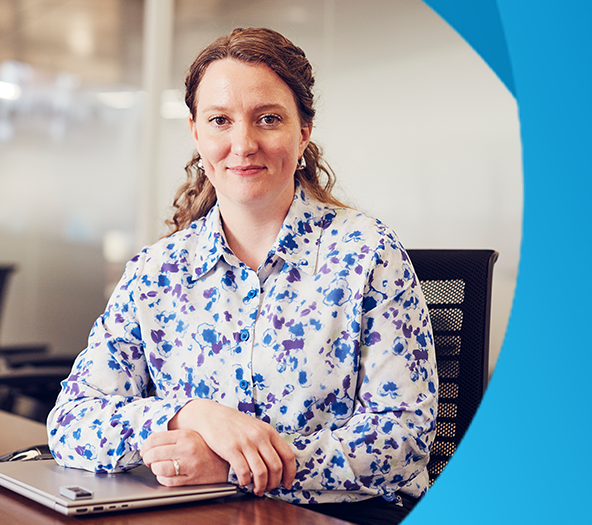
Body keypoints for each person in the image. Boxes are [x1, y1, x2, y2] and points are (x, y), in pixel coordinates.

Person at [46, 27, 437, 525]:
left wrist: (234, 465)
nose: (243, 143)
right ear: (195, 133)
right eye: (220, 121)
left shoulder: (367, 252)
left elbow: (401, 438)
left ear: (303, 133)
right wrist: (189, 414)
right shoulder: (156, 271)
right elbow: (71, 421)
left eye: (268, 119)